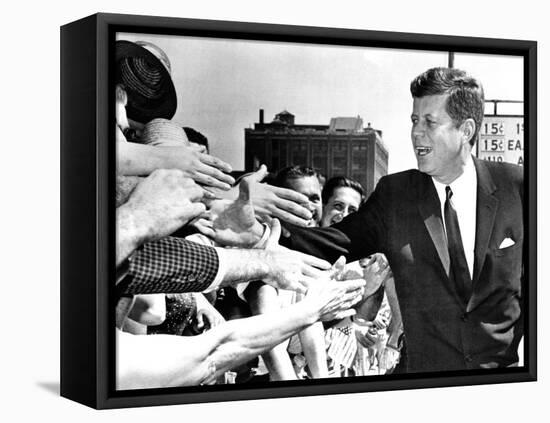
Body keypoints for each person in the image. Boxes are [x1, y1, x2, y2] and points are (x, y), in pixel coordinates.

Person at [281, 67, 524, 373]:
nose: (416, 132)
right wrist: (263, 232)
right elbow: (329, 243)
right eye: (414, 120)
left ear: (466, 130)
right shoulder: (396, 196)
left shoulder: (519, 188)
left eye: (429, 122)